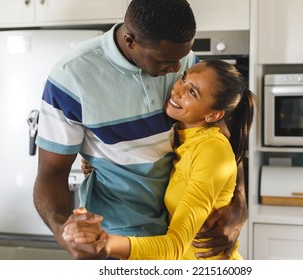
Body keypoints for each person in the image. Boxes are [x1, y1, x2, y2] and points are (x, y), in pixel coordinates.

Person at [33, 0, 247, 260]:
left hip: (178, 242)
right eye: (167, 62)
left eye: (182, 61)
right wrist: (63, 232)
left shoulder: (183, 60)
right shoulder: (71, 78)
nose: (176, 70)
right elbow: (51, 174)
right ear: (130, 41)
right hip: (118, 240)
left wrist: (239, 203)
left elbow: (221, 136)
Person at [63, 59, 255, 260]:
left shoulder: (211, 150)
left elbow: (174, 247)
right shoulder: (180, 135)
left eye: (192, 92)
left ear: (213, 115)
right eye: (183, 79)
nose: (177, 90)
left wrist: (105, 243)